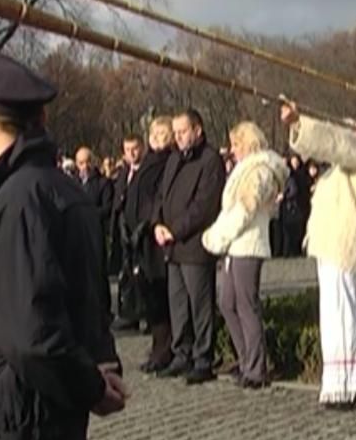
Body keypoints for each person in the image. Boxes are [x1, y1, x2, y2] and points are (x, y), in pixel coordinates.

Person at [0, 50, 123, 440]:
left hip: (27, 416)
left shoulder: (17, 202)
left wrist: (93, 385)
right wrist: (101, 367)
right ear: (40, 121)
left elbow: (31, 335)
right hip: (47, 411)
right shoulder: (59, 189)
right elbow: (90, 301)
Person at [281, 103, 356, 407]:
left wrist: (301, 123)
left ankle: (350, 382)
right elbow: (340, 150)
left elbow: (341, 146)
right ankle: (345, 380)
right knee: (336, 311)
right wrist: (300, 126)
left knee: (344, 311)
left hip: (346, 238)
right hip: (332, 238)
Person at [203, 121, 288, 389]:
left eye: (237, 144)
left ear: (248, 143)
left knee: (246, 305)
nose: (232, 150)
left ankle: (256, 367)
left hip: (248, 244)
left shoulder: (260, 170)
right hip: (235, 245)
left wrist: (217, 236)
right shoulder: (245, 169)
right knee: (227, 302)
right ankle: (245, 359)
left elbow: (245, 209)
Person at [152, 109, 226, 384]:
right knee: (178, 304)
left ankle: (203, 357)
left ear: (198, 130)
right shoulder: (173, 159)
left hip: (194, 245)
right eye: (176, 132)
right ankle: (181, 353)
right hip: (171, 246)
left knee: (200, 305)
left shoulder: (210, 161)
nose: (179, 137)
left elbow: (204, 205)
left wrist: (176, 229)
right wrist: (157, 223)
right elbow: (161, 195)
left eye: (183, 131)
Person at [122, 119, 175, 370]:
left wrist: (147, 222)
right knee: (149, 295)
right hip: (139, 240)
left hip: (154, 237)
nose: (157, 137)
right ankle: (157, 346)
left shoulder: (167, 161)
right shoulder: (149, 162)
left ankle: (165, 349)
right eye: (154, 133)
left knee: (160, 296)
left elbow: (158, 197)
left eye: (162, 133)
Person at [111, 133, 147, 331]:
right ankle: (128, 312)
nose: (132, 154)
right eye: (127, 150)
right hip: (124, 230)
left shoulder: (147, 171)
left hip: (141, 231)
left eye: (135, 149)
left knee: (142, 274)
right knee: (126, 275)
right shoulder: (124, 173)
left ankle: (144, 313)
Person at [74, 146, 113, 263]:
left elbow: (107, 207)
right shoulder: (72, 183)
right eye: (81, 163)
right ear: (76, 164)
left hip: (95, 232)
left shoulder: (103, 183)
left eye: (88, 162)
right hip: (76, 233)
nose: (85, 166)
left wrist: (88, 214)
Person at [277, 154, 311, 258]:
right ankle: (287, 251)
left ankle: (292, 251)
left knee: (292, 230)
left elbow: (294, 190)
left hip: (293, 207)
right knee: (287, 231)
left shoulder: (291, 177)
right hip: (286, 207)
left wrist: (284, 196)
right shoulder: (282, 177)